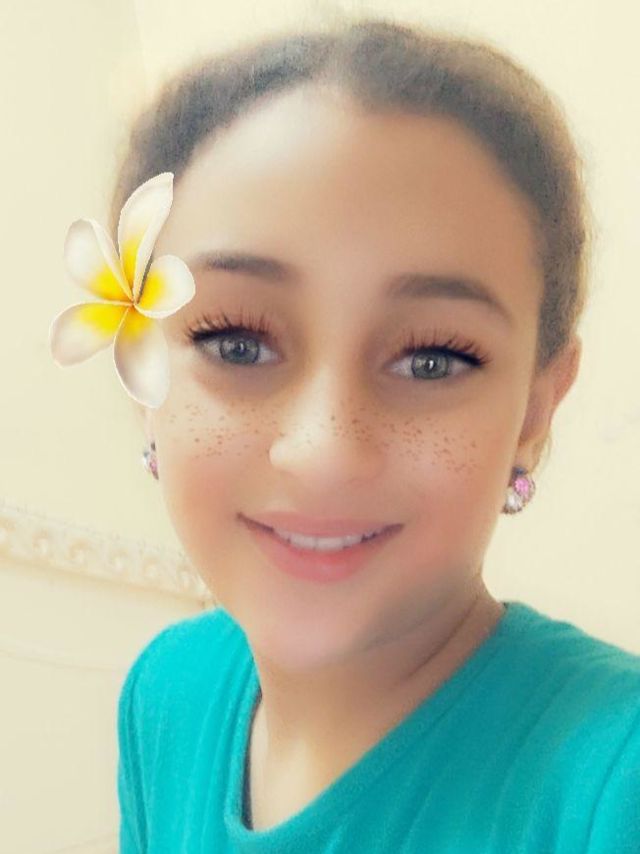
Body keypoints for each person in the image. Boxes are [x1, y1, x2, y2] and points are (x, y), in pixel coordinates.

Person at [110, 16, 640, 852]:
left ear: (535, 411)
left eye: (432, 359)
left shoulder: (613, 785)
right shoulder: (167, 694)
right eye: (236, 342)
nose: (323, 452)